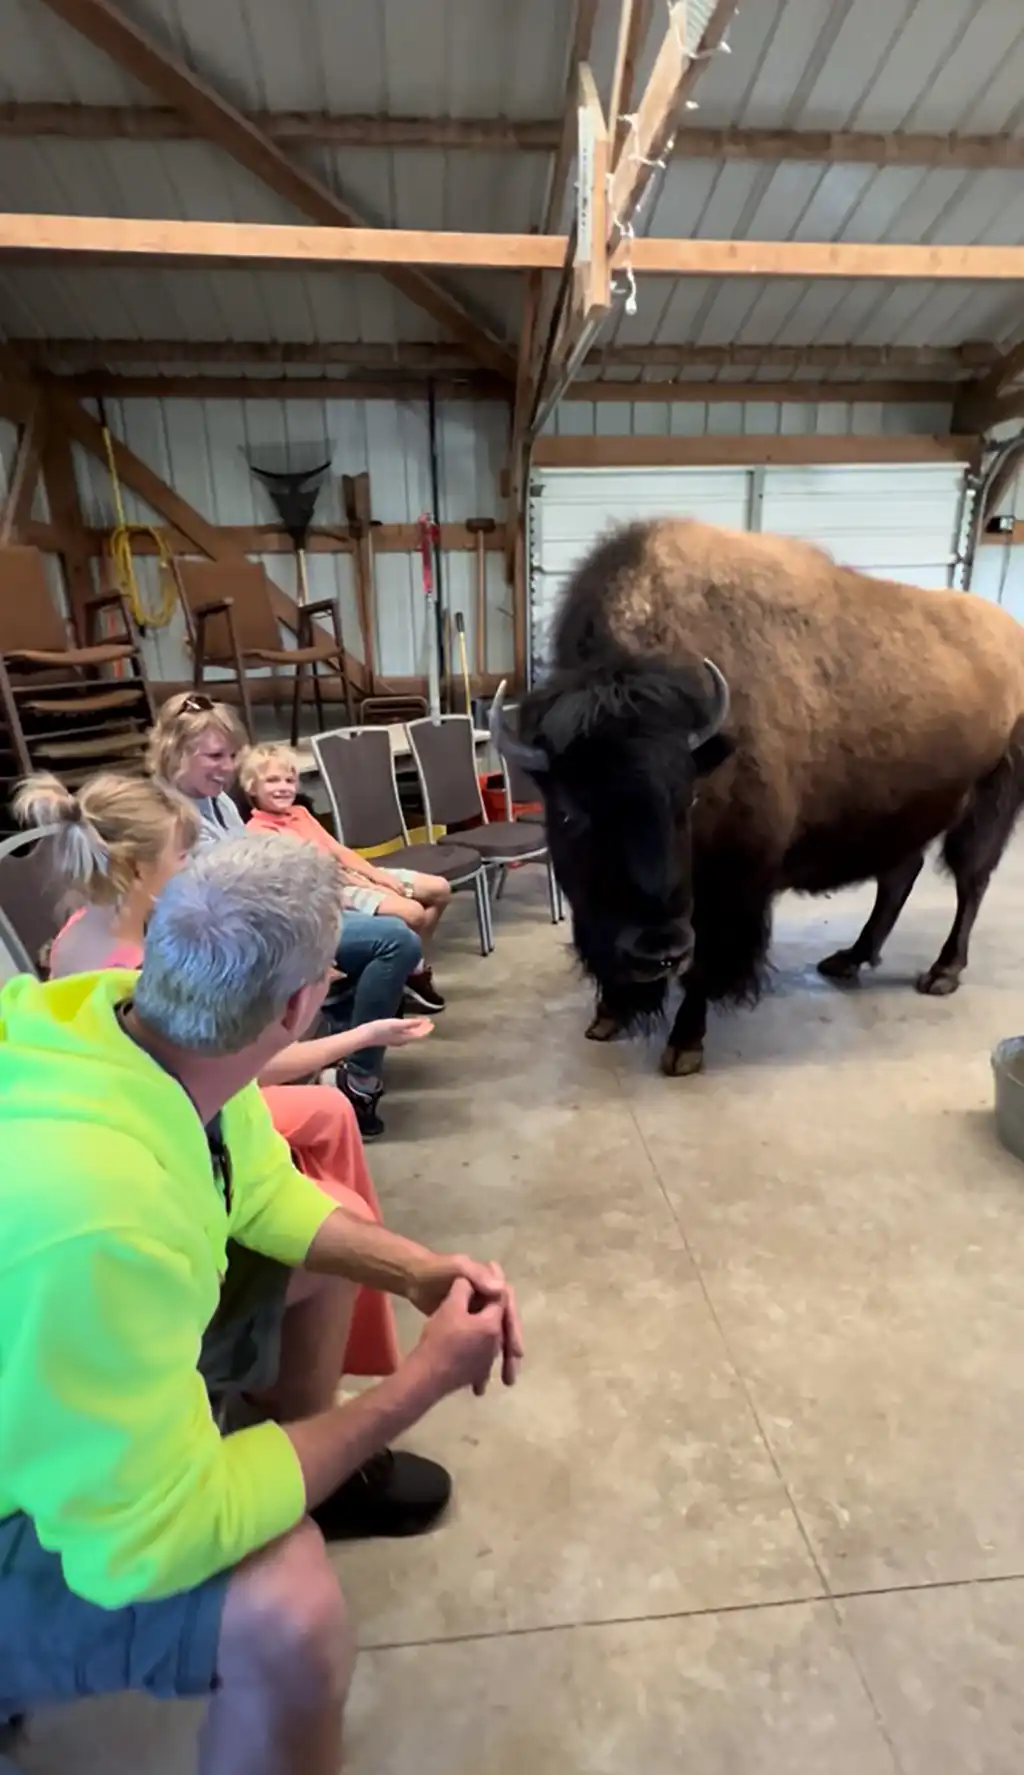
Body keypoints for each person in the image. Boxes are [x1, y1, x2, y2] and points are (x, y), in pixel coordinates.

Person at [0, 833, 523, 1775]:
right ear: (300, 1003)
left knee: (339, 1236)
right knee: (292, 1613)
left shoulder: (131, 1024)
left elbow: (263, 1190)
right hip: (46, 1494)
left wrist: (416, 1270)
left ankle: (303, 1471)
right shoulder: (99, 1219)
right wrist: (421, 1383)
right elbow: (152, 1540)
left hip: (54, 1367)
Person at [14, 768, 415, 1386]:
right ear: (138, 867)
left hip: (167, 1099)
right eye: (183, 854)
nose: (191, 865)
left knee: (320, 1157)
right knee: (326, 1125)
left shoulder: (94, 937)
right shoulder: (129, 957)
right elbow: (218, 1060)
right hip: (167, 1116)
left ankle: (328, 1315)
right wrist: (355, 1036)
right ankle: (317, 1333)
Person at [148, 693, 422, 1138]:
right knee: (395, 942)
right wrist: (305, 941)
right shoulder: (169, 818)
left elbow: (258, 867)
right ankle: (359, 1074)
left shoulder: (214, 800)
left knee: (395, 933)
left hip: (273, 921)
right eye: (216, 756)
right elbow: (217, 907)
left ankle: (349, 1051)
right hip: (239, 942)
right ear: (176, 751)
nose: (228, 767)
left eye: (233, 755)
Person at [240, 742, 450, 1013]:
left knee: (440, 889)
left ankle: (409, 974)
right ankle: (403, 976)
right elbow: (314, 878)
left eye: (289, 780)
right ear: (251, 787)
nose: (283, 787)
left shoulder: (300, 813)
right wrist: (364, 883)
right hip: (331, 889)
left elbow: (337, 850)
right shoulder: (259, 831)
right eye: (272, 780)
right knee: (412, 913)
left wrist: (376, 876)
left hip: (351, 876)